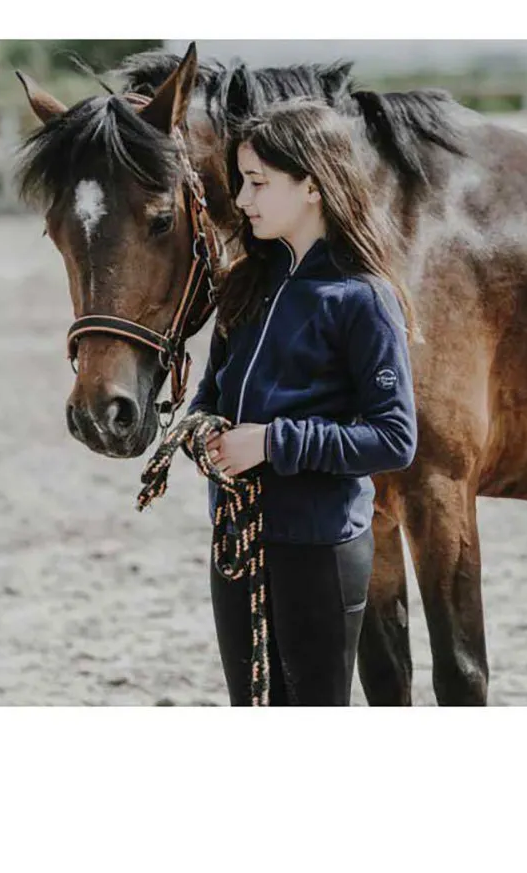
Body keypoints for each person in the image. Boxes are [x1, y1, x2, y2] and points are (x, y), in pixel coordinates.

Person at [184, 98, 419, 706]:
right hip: (236, 539)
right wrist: (201, 433)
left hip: (319, 549)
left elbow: (394, 438)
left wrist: (270, 442)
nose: (242, 199)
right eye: (241, 182)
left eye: (258, 182)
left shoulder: (362, 300)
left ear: (313, 186)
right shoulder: (244, 286)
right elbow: (210, 394)